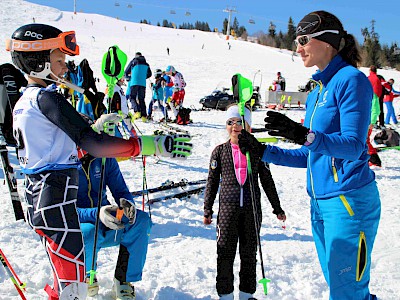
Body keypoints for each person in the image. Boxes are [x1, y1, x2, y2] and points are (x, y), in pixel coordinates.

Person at [6, 23, 192, 300]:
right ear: (38, 61)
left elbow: (67, 140)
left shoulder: (26, 101)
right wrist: (147, 145)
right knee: (73, 287)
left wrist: (95, 126)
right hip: (54, 196)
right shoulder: (46, 98)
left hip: (45, 195)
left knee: (70, 282)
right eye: (59, 60)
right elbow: (92, 143)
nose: (65, 67)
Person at [239, 11, 380, 300]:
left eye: (303, 40)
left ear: (327, 41)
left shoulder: (350, 80)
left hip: (348, 201)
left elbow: (354, 146)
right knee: (345, 290)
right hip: (319, 204)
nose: (297, 47)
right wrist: (262, 151)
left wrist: (305, 135)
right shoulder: (317, 92)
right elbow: (309, 155)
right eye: (296, 40)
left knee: (347, 293)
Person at [203, 104, 286, 300]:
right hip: (227, 212)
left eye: (240, 122)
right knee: (225, 253)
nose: (235, 126)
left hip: (252, 210)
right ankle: (225, 295)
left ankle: (247, 294)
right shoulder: (220, 151)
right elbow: (212, 181)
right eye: (230, 122)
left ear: (248, 126)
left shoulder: (256, 150)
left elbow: (267, 180)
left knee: (249, 254)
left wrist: (277, 208)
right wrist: (208, 208)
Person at [76, 149, 151, 299]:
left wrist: (127, 204)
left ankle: (123, 279)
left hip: (106, 215)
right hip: (79, 221)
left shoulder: (104, 157)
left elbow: (120, 190)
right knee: (89, 232)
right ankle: (85, 276)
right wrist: (97, 213)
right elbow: (63, 210)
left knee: (141, 221)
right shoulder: (63, 160)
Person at [124, 52, 152, 121]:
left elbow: (126, 72)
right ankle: (144, 116)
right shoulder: (146, 64)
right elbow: (149, 74)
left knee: (132, 97)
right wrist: (143, 77)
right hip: (142, 83)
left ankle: (137, 111)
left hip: (134, 82)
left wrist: (129, 78)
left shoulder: (133, 61)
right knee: (141, 99)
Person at [367, 66, 383, 167]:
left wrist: (372, 122)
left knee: (365, 140)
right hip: (367, 120)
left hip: (368, 121)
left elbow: (375, 109)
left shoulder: (372, 96)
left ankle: (375, 160)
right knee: (365, 140)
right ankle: (373, 160)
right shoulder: (376, 80)